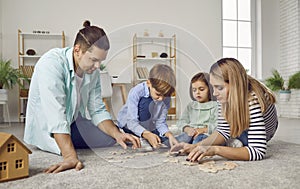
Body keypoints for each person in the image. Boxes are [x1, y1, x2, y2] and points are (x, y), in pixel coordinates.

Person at [24, 20, 140, 173]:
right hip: (48, 128)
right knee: (84, 140)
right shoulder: (51, 64)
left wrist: (118, 134)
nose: (98, 66)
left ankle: (125, 133)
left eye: (101, 61)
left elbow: (97, 110)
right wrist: (70, 156)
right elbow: (56, 116)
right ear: (77, 50)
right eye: (94, 60)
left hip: (73, 122)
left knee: (112, 138)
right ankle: (66, 143)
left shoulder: (93, 72)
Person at [171, 58, 278, 161]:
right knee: (225, 136)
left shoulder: (253, 100)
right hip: (240, 126)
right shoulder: (223, 95)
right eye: (213, 87)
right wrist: (194, 146)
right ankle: (234, 141)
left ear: (234, 85)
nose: (214, 93)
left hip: (261, 133)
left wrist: (216, 149)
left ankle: (234, 142)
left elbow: (257, 151)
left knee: (240, 141)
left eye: (220, 87)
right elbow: (223, 131)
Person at [117, 64, 179, 149]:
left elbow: (160, 122)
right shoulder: (137, 92)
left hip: (148, 124)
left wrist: (169, 134)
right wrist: (146, 134)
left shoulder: (166, 97)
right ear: (149, 83)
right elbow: (131, 122)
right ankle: (142, 136)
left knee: (163, 138)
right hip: (129, 124)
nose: (161, 99)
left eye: (165, 95)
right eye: (158, 94)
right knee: (146, 102)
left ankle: (147, 134)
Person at [176, 72, 218, 144]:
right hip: (191, 133)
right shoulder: (191, 106)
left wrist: (204, 130)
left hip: (206, 134)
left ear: (210, 89)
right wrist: (187, 129)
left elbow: (218, 125)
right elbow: (181, 121)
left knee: (198, 141)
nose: (197, 92)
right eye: (194, 90)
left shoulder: (215, 105)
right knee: (179, 139)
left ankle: (191, 148)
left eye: (201, 89)